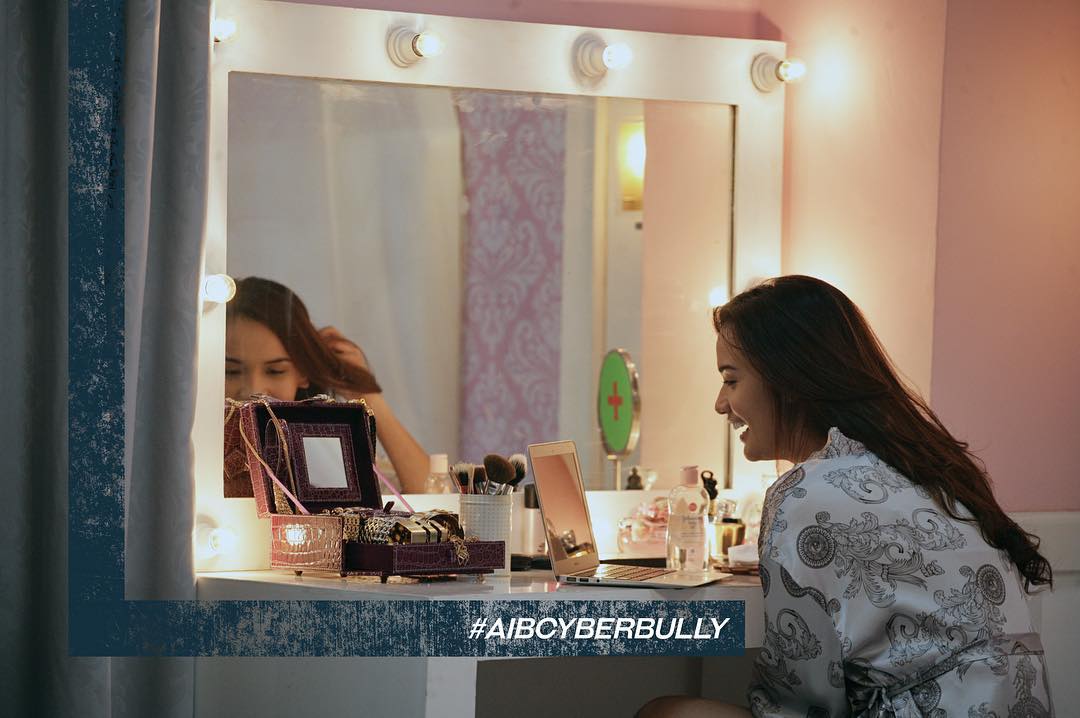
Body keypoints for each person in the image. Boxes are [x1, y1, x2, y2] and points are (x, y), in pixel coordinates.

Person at [639, 275, 1053, 717]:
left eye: (731, 380)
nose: (720, 403)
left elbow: (803, 702)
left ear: (787, 380)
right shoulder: (929, 468)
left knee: (665, 712)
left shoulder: (804, 496)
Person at [225, 276, 430, 493]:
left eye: (276, 371)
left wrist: (367, 395)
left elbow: (432, 494)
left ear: (303, 372)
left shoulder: (329, 454)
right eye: (231, 371)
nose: (254, 390)